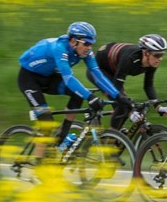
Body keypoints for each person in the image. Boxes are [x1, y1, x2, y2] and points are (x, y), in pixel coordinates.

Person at [18, 21, 131, 160]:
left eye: (91, 44)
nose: (89, 48)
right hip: (29, 79)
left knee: (76, 95)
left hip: (50, 77)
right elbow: (69, 79)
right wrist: (90, 97)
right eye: (86, 43)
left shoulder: (85, 52)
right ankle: (39, 167)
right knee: (46, 120)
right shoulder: (59, 48)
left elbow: (97, 74)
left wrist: (118, 96)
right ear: (73, 41)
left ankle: (61, 136)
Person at [87, 34, 167, 130]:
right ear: (146, 53)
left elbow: (148, 86)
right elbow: (116, 88)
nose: (160, 59)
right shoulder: (129, 59)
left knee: (125, 104)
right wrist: (131, 111)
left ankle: (118, 134)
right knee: (122, 104)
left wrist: (158, 107)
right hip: (98, 70)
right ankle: (112, 137)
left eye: (162, 55)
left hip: (114, 70)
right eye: (157, 55)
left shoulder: (151, 62)